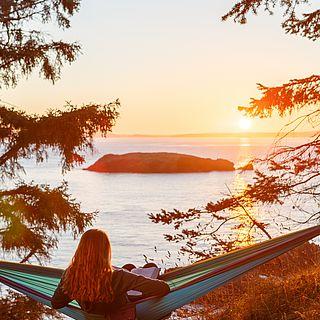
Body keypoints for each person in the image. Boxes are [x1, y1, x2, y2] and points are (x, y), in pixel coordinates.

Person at [51, 229, 170, 317]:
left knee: (128, 267)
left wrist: (79, 295)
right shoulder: (117, 277)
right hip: (124, 313)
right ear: (105, 250)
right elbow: (163, 288)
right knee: (150, 266)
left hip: (94, 315)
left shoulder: (71, 276)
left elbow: (56, 303)